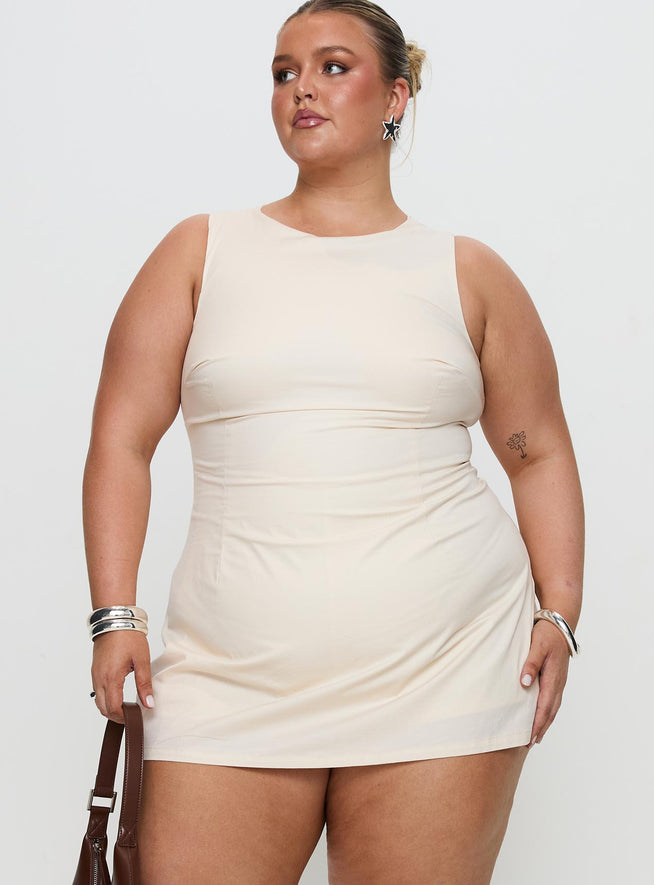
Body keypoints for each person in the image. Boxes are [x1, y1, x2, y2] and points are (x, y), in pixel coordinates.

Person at [82, 0, 584, 882]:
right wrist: (113, 615)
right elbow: (121, 438)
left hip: (446, 671)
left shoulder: (467, 272)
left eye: (332, 66)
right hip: (227, 679)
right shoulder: (200, 252)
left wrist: (561, 613)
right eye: (284, 73)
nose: (301, 88)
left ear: (395, 98)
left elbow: (536, 448)